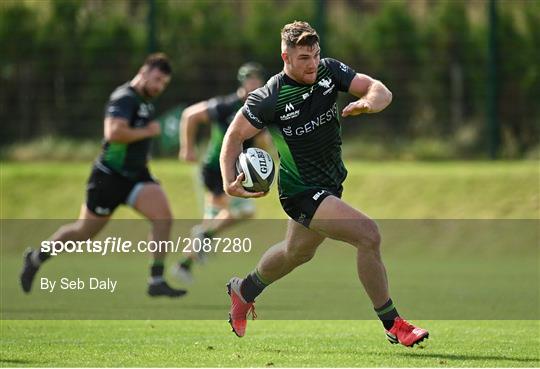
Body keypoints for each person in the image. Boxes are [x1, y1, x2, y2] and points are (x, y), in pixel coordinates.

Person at [220, 21, 429, 347]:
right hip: (300, 191)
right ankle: (394, 324)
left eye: (316, 55)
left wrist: (369, 102)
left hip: (330, 184)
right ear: (285, 56)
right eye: (304, 57)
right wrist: (228, 181)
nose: (313, 64)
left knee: (295, 253)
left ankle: (243, 291)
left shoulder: (330, 72)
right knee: (368, 234)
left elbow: (379, 89)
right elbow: (234, 136)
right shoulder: (269, 97)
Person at [20, 53, 187, 298]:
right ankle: (36, 258)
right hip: (109, 178)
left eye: (163, 84)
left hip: (137, 177)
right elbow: (114, 133)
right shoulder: (124, 98)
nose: (159, 86)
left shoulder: (145, 102)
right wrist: (149, 131)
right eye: (157, 79)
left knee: (163, 218)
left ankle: (156, 279)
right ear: (144, 71)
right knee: (84, 232)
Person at [173, 63, 268, 282]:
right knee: (244, 210)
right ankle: (203, 237)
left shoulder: (259, 108)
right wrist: (187, 147)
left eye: (257, 80)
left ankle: (184, 264)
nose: (253, 84)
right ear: (242, 82)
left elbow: (263, 141)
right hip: (216, 168)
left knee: (213, 218)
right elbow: (190, 115)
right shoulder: (227, 105)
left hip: (235, 170)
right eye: (249, 79)